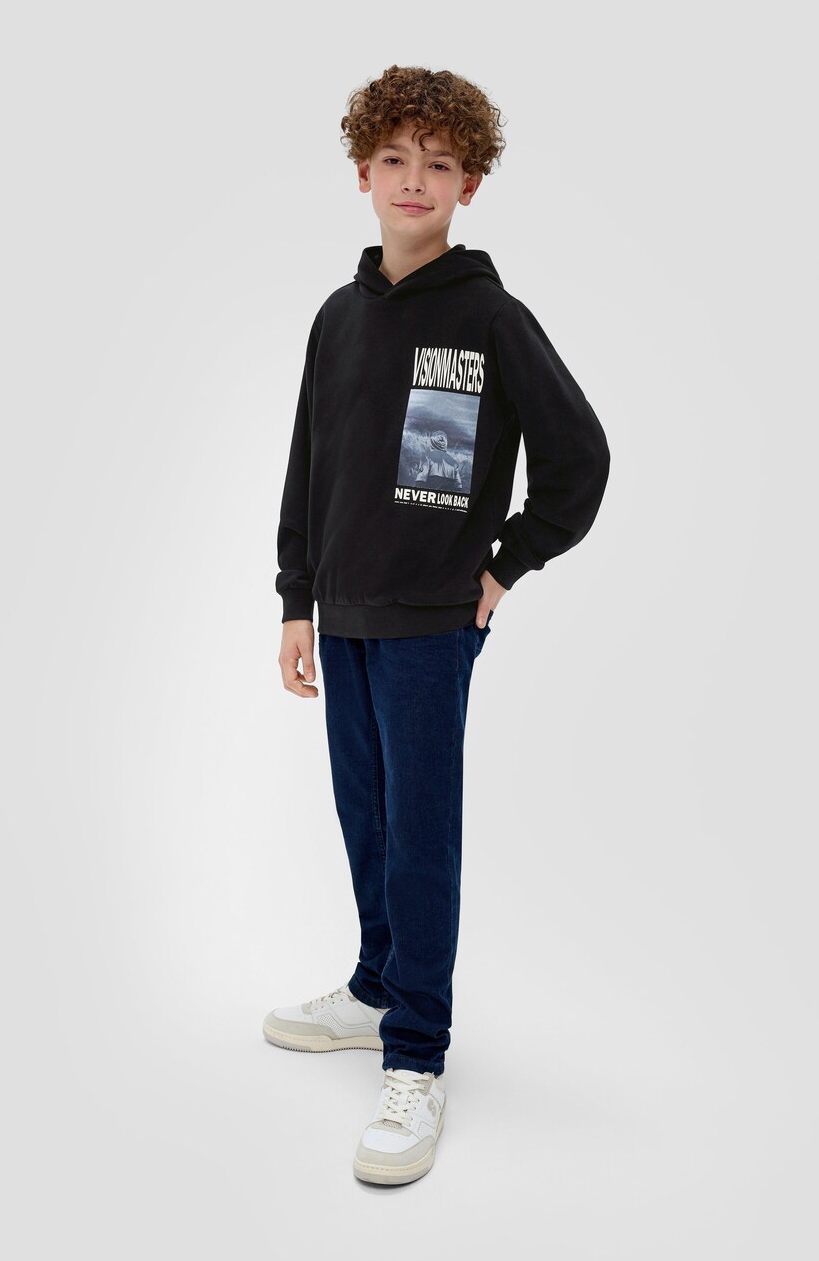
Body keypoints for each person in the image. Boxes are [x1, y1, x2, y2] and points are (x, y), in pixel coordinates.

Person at [265, 64, 611, 1186]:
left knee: (422, 833)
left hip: (430, 626)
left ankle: (417, 1053)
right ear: (362, 172)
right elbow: (308, 465)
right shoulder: (337, 319)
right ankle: (377, 986)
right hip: (345, 615)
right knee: (363, 814)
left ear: (470, 183)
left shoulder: (490, 318)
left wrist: (504, 565)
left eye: (441, 163)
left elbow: (579, 462)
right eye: (395, 159)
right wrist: (296, 599)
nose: (415, 180)